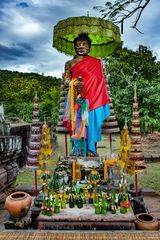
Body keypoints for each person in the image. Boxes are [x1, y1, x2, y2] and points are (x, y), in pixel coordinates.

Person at [63, 33, 110, 156]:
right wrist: (73, 82)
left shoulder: (96, 62)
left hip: (94, 97)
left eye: (84, 44)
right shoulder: (70, 63)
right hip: (77, 97)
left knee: (92, 124)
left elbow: (99, 80)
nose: (81, 46)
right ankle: (77, 149)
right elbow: (66, 80)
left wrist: (95, 94)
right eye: (78, 44)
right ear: (74, 47)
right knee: (77, 122)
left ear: (89, 47)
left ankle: (91, 150)